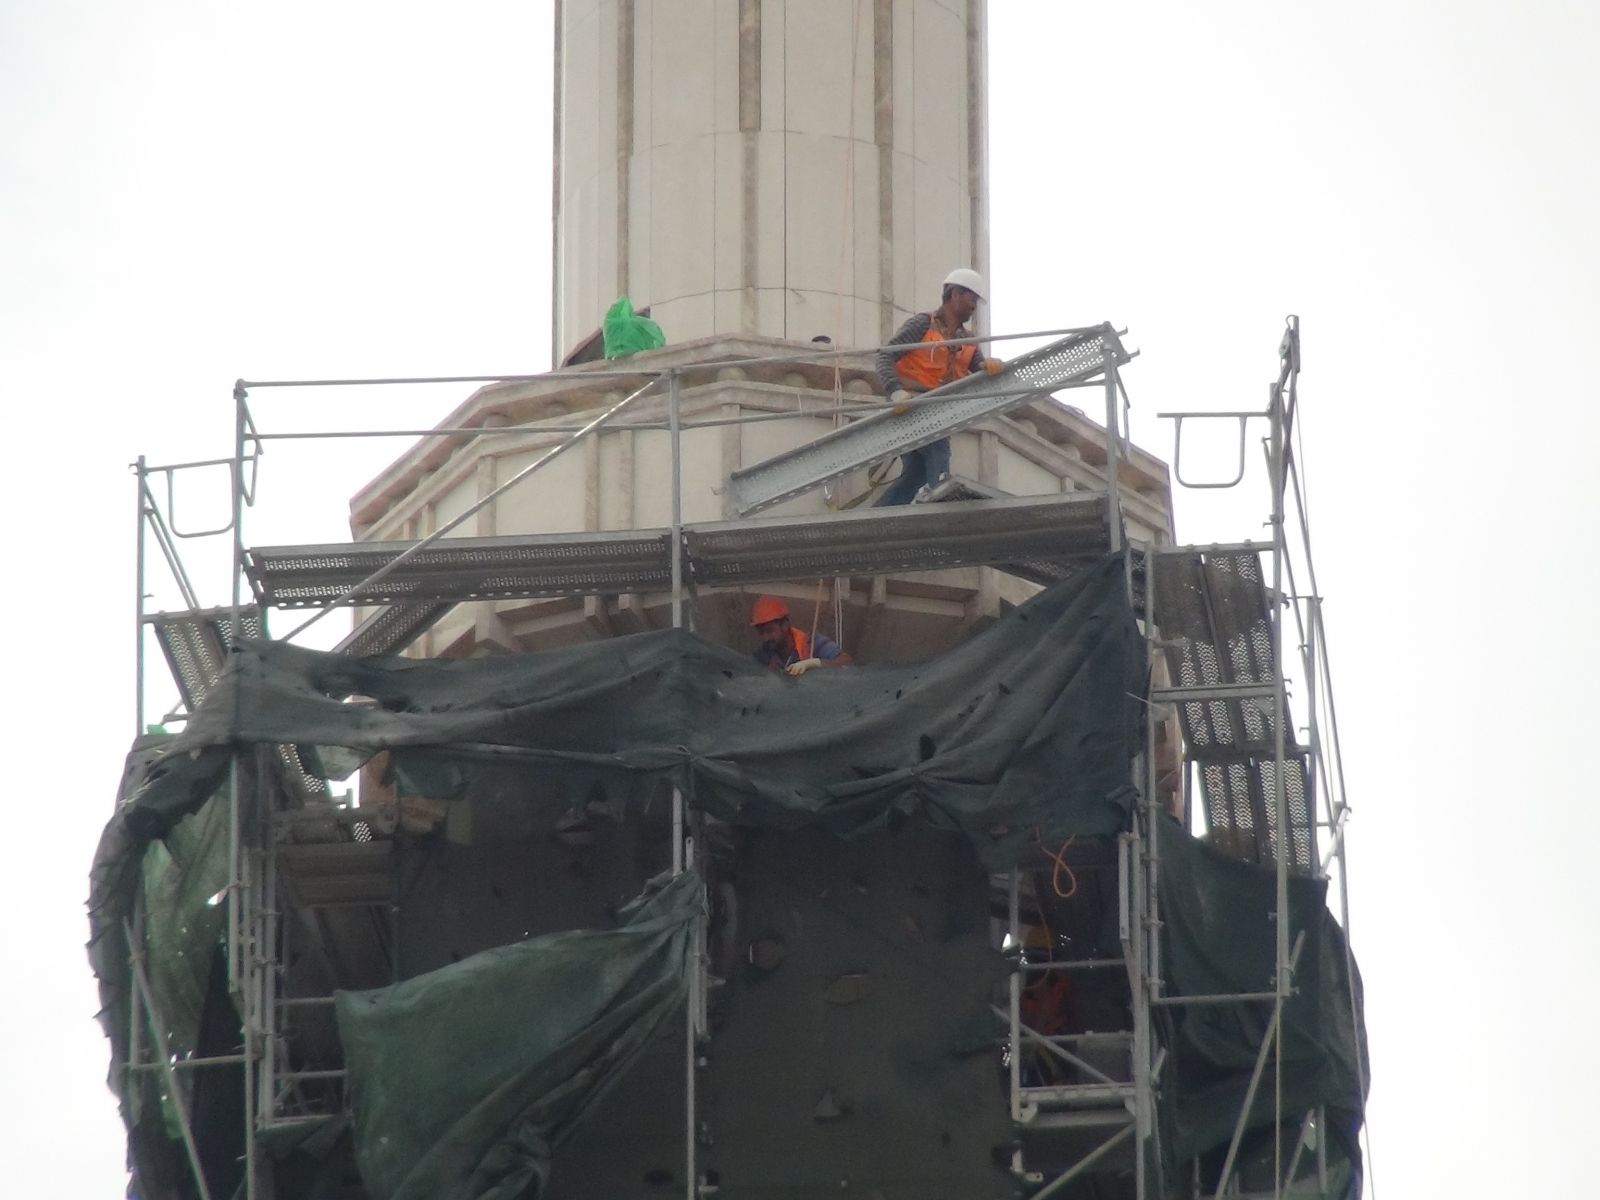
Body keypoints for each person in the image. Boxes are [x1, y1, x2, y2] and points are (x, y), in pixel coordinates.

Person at [873, 267, 1004, 506]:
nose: (974, 305)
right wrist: (895, 391)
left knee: (916, 474)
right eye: (971, 297)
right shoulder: (923, 324)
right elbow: (884, 356)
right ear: (954, 294)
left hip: (938, 406)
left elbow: (978, 367)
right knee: (938, 450)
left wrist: (989, 368)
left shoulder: (968, 340)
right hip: (911, 401)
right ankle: (941, 498)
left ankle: (876, 517)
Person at [749, 596, 853, 676]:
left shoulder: (812, 642)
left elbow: (846, 661)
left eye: (770, 631)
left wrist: (815, 663)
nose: (765, 637)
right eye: (761, 632)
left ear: (785, 625)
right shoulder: (764, 652)